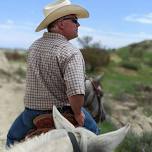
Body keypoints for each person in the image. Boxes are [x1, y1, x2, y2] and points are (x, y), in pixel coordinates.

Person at [6, 0, 99, 147]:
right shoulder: (70, 51)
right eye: (75, 20)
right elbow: (75, 92)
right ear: (61, 23)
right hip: (63, 112)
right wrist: (77, 113)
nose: (78, 25)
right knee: (94, 133)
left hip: (31, 114)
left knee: (12, 138)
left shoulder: (33, 47)